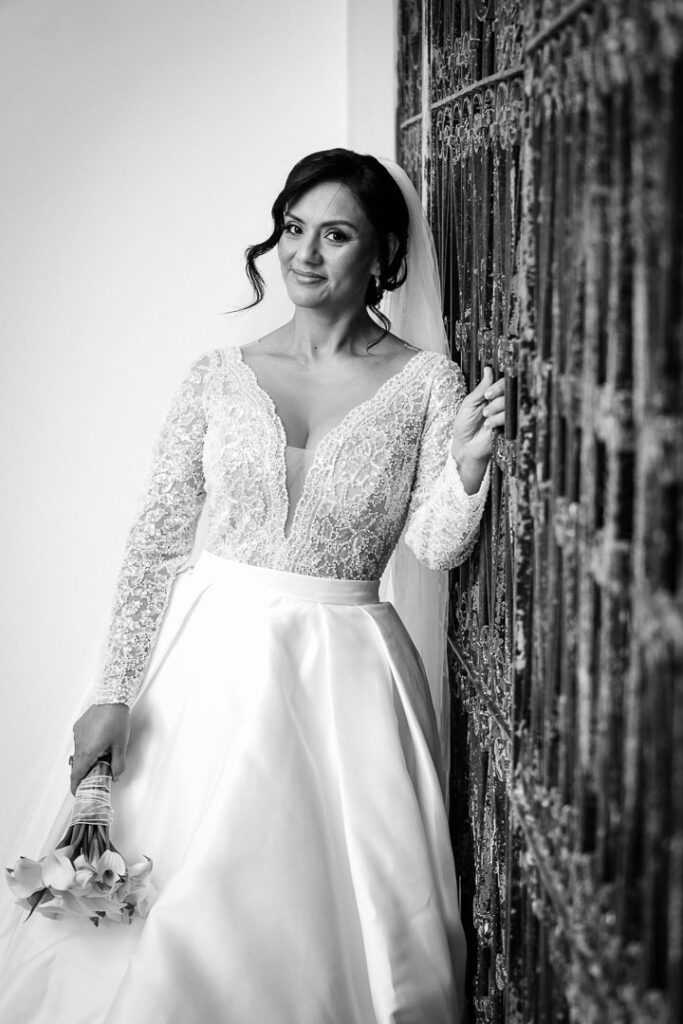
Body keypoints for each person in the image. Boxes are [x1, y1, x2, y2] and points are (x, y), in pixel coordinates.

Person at [0, 148, 505, 1024]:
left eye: (335, 234)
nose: (304, 254)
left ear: (382, 254)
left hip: (344, 674)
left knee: (313, 920)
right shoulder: (216, 376)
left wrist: (462, 470)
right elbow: (155, 544)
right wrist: (114, 690)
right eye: (292, 229)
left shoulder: (426, 384)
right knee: (164, 919)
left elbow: (432, 547)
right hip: (206, 666)